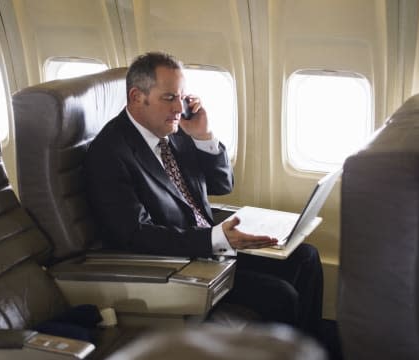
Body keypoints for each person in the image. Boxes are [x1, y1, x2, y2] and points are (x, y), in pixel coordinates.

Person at [84, 51, 324, 337]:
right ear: (137, 97)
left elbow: (223, 184)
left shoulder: (175, 129)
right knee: (281, 295)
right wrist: (216, 238)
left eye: (182, 97)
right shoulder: (110, 153)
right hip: (180, 263)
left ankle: (311, 350)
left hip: (210, 245)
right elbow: (134, 235)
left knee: (306, 258)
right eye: (169, 98)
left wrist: (204, 136)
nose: (179, 108)